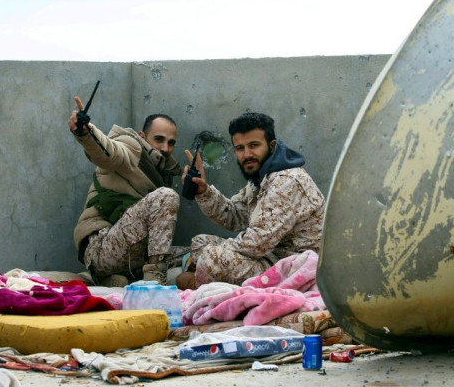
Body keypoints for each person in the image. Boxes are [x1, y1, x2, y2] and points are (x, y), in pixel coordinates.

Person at [176, 112, 325, 289]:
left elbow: (257, 244)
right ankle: (207, 277)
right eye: (240, 148)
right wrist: (203, 191)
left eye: (254, 145)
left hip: (294, 266)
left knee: (211, 258)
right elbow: (234, 216)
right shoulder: (261, 178)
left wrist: (215, 254)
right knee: (201, 242)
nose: (247, 154)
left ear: (272, 145)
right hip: (270, 256)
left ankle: (201, 280)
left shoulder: (287, 181)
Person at [68, 98, 182, 287]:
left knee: (200, 249)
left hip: (131, 254)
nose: (165, 148)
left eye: (171, 143)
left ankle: (115, 280)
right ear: (142, 136)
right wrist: (86, 133)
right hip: (101, 248)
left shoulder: (163, 170)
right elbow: (109, 152)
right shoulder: (132, 147)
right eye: (159, 139)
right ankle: (154, 285)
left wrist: (201, 188)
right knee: (166, 197)